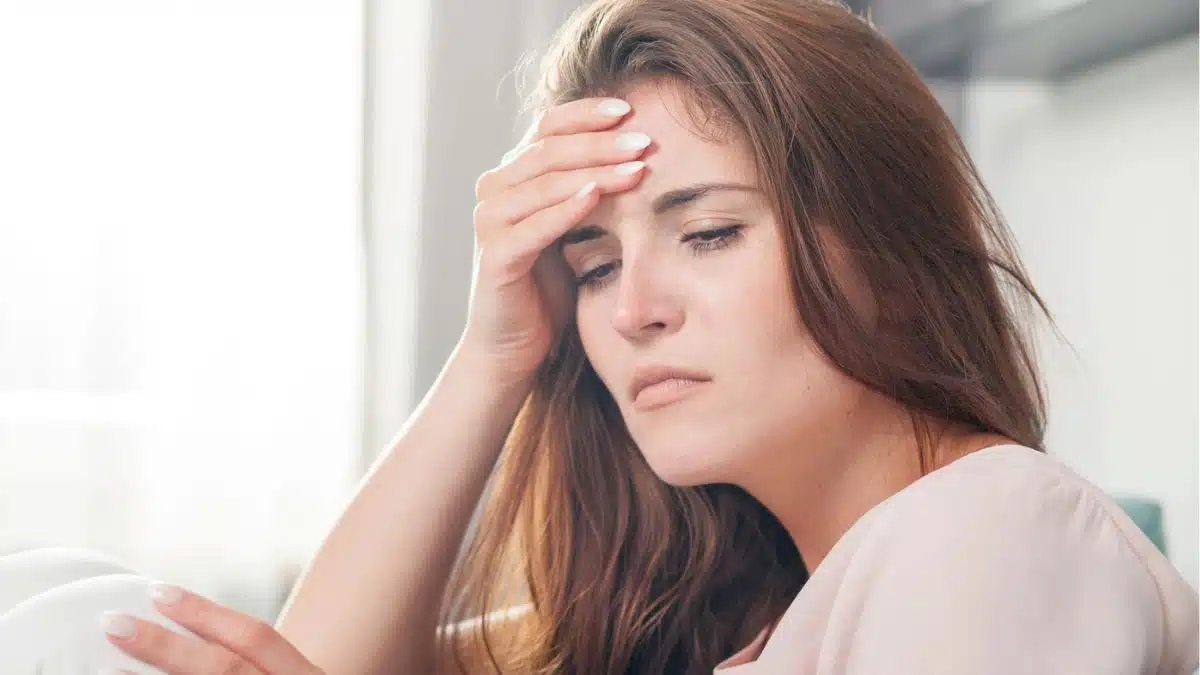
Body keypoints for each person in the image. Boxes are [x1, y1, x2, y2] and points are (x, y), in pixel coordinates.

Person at [10, 0, 1191, 672]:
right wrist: (491, 358)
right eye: (594, 264)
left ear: (888, 248)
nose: (633, 311)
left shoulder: (990, 527)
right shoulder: (739, 606)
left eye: (709, 232)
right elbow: (324, 660)